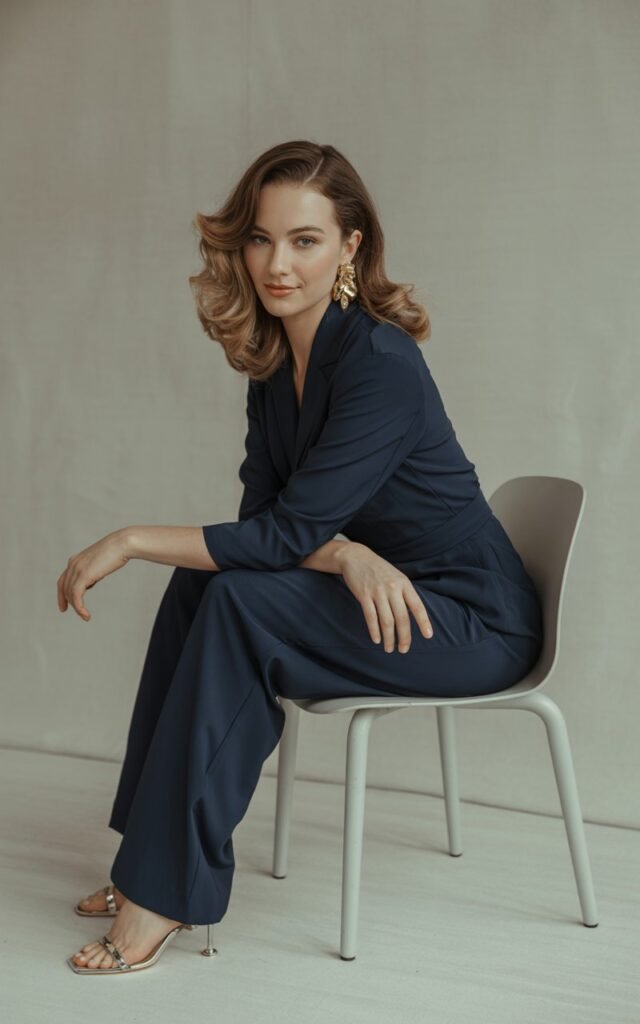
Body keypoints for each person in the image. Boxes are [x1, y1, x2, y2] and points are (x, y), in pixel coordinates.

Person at [59, 140, 543, 974]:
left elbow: (279, 539)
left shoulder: (382, 364)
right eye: (260, 238)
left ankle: (164, 891)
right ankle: (147, 854)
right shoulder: (277, 360)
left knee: (238, 601)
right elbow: (267, 523)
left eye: (304, 240)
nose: (276, 265)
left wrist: (129, 539)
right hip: (383, 595)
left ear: (351, 246)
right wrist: (347, 554)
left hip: (471, 621)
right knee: (201, 584)